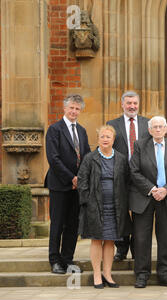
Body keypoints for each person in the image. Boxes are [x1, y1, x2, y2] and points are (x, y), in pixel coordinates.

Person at [129, 116, 167, 288]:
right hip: (145, 196)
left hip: (166, 197)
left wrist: (165, 189)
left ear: (166, 128)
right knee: (141, 238)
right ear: (150, 130)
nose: (158, 129)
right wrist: (153, 189)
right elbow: (134, 171)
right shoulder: (140, 145)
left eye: (161, 126)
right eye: (155, 127)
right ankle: (142, 274)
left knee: (165, 238)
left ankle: (165, 273)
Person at [77, 125, 132, 289]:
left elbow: (127, 181)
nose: (105, 139)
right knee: (97, 239)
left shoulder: (121, 159)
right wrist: (88, 201)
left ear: (113, 140)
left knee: (110, 241)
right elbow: (82, 181)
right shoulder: (90, 158)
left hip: (116, 206)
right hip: (96, 206)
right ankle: (96, 275)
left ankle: (107, 274)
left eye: (108, 137)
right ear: (98, 139)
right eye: (102, 136)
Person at [45, 94, 90, 274]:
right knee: (57, 223)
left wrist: (81, 178)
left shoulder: (82, 131)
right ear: (64, 109)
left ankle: (67, 259)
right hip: (60, 185)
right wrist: (71, 178)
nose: (74, 111)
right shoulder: (54, 129)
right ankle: (55, 260)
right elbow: (53, 158)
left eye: (77, 108)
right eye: (71, 108)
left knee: (72, 224)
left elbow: (86, 156)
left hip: (77, 186)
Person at [106, 90, 151, 262]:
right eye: (129, 103)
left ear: (139, 105)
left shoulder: (147, 124)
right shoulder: (112, 123)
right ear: (122, 104)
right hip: (121, 176)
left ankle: (137, 249)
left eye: (135, 103)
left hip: (142, 176)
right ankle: (122, 248)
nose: (132, 106)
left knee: (141, 213)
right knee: (121, 213)